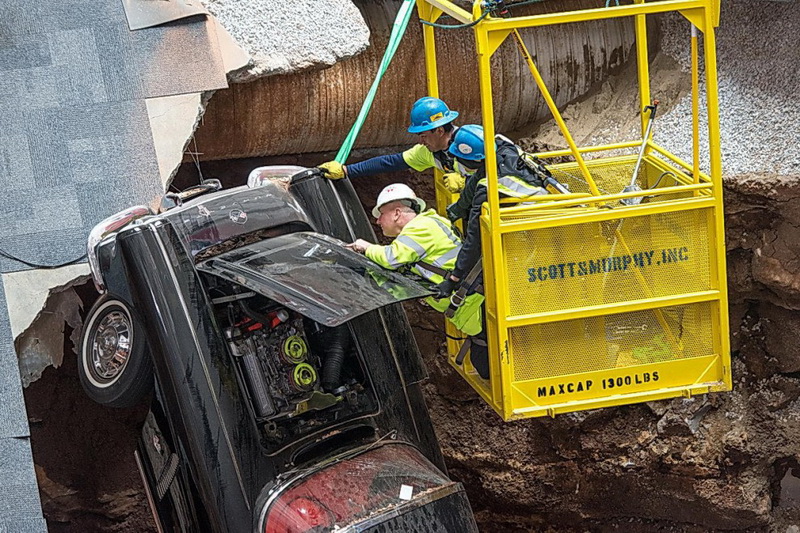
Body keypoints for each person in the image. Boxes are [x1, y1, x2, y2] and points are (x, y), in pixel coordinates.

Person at [347, 183, 488, 379]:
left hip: (477, 308)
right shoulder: (425, 228)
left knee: (487, 367)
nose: (377, 221)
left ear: (397, 213)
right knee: (484, 366)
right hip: (474, 308)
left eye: (381, 214)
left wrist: (366, 247)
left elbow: (390, 258)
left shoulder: (421, 228)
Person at [435, 124, 548, 298]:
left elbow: (475, 239)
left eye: (460, 158)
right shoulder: (501, 145)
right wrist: (459, 208)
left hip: (541, 229)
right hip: (552, 206)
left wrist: (454, 278)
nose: (457, 162)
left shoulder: (489, 188)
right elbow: (478, 177)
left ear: (473, 160)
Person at [317, 97, 467, 193]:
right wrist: (346, 170)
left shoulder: (470, 142)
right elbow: (389, 162)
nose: (421, 142)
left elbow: (483, 176)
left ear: (439, 131)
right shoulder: (429, 152)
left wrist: (467, 183)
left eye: (423, 136)